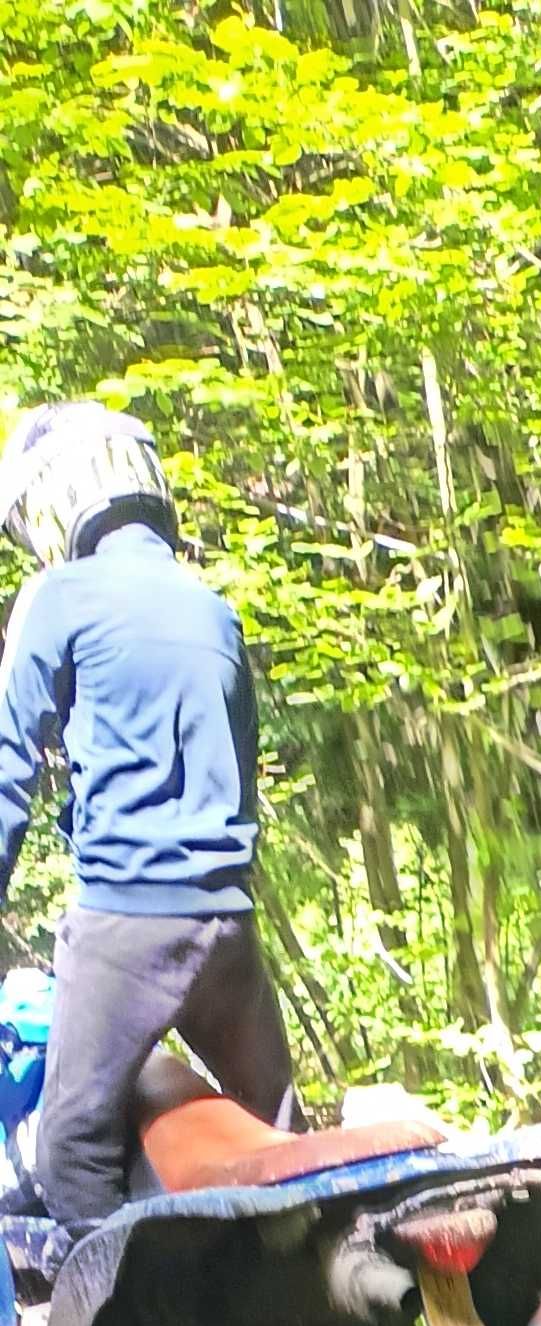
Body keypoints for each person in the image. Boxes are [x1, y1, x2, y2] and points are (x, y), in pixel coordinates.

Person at [0, 401, 297, 1230]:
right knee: (285, 1145)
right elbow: (243, 780)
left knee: (68, 1152)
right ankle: (299, 1305)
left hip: (126, 925)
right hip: (227, 925)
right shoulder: (214, 610)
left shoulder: (56, 596)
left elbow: (5, 767)